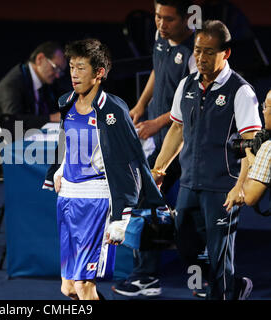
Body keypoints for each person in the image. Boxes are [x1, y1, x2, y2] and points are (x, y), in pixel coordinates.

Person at [42, 38, 167, 300]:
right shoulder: (67, 103)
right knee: (68, 288)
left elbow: (131, 164)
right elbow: (67, 141)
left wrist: (122, 217)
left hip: (96, 203)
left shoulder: (113, 111)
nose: (74, 74)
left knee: (84, 287)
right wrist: (59, 168)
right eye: (72, 67)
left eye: (81, 68)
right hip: (67, 200)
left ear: (99, 73)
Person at [151, 20, 262, 300]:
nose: (200, 57)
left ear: (226, 53)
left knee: (219, 253)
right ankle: (231, 287)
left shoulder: (241, 91)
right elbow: (177, 129)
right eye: (198, 51)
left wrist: (241, 186)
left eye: (209, 52)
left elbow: (251, 145)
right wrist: (159, 167)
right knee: (186, 244)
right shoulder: (186, 85)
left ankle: (223, 291)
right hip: (189, 183)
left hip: (223, 187)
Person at [113, 0, 197, 298]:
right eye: (157, 17)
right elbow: (156, 70)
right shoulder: (162, 37)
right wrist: (140, 104)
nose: (161, 24)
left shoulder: (197, 53)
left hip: (185, 144)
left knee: (148, 199)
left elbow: (191, 108)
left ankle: (146, 275)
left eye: (169, 19)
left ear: (189, 18)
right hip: (161, 140)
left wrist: (156, 124)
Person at [0, 41, 67, 132]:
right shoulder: (12, 84)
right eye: (55, 67)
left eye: (60, 71)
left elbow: (63, 98)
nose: (57, 75)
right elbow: (12, 121)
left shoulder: (46, 81)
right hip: (10, 141)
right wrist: (52, 118)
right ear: (40, 59)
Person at [244, 90, 271, 206]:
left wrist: (251, 161)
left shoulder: (268, 148)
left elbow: (250, 198)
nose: (263, 111)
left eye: (265, 106)